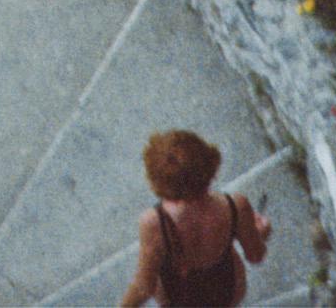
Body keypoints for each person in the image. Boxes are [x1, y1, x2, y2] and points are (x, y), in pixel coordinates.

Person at [116, 130, 270, 307]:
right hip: (225, 289)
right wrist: (261, 231)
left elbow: (144, 286)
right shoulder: (235, 205)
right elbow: (256, 255)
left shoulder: (154, 222)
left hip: (177, 297)